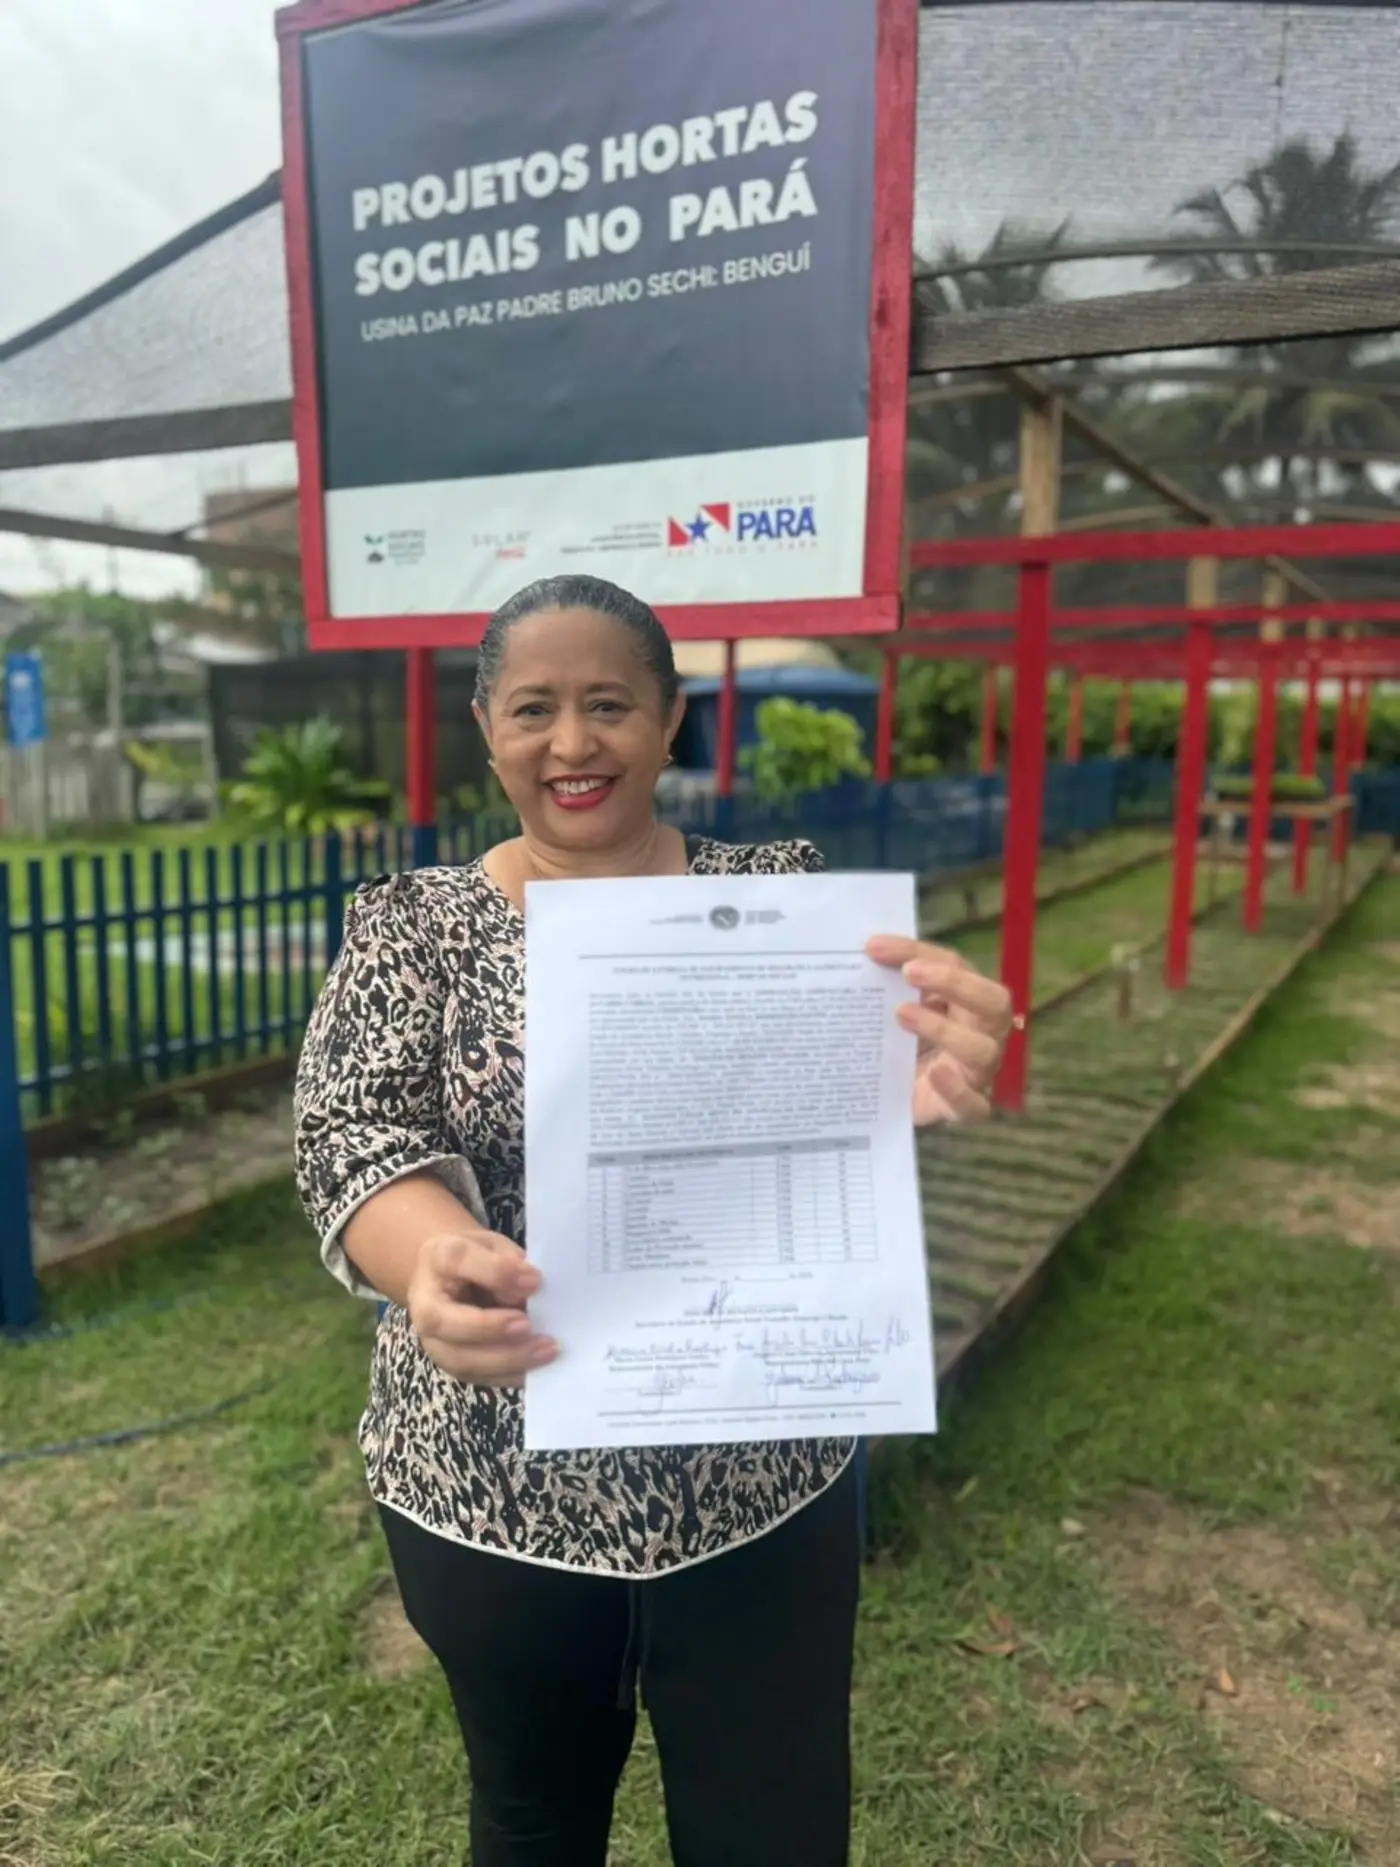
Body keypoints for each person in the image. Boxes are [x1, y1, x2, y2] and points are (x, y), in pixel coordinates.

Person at [294, 574, 1014, 1867]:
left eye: (611, 704)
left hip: (763, 1477)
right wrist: (430, 1259)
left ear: (671, 718)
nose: (573, 742)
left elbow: (846, 1104)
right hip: (493, 1485)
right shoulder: (416, 925)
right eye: (534, 708)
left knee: (774, 1829)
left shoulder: (782, 904)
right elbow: (355, 1132)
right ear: (487, 727)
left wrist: (920, 1066)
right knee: (534, 1819)